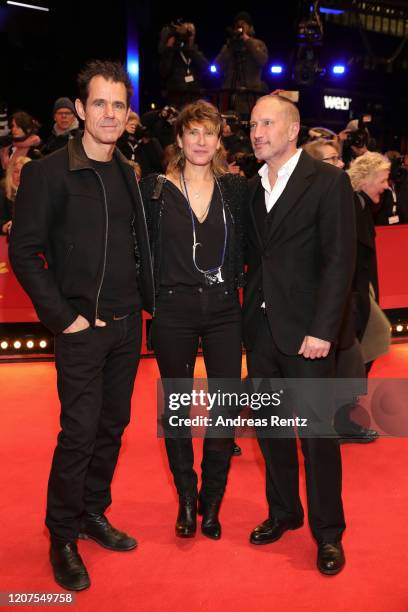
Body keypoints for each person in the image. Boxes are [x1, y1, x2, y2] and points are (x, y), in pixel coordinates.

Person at [9, 60, 154, 592]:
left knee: (112, 429)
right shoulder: (48, 172)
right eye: (100, 103)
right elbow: (24, 254)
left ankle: (93, 513)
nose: (110, 113)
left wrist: (146, 306)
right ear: (81, 109)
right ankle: (62, 534)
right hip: (81, 330)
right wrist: (65, 318)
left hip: (125, 328)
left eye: (119, 104)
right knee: (79, 434)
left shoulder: (126, 173)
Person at [243, 94, 356, 575]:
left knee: (318, 439)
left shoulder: (328, 182)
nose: (256, 131)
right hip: (262, 331)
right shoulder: (251, 188)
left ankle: (328, 534)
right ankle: (285, 511)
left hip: (309, 336)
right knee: (270, 434)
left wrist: (322, 329)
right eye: (251, 124)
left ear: (292, 130)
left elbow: (339, 261)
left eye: (266, 122)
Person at [140, 100, 246, 541]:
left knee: (226, 408)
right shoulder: (155, 190)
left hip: (224, 308)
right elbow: (136, 251)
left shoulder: (236, 191)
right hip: (173, 309)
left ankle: (212, 503)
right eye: (193, 133)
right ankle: (186, 496)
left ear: (219, 140)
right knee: (178, 408)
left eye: (210, 133)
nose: (201, 141)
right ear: (180, 140)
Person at [215, 12, 268, 116]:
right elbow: (218, 65)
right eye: (238, 24)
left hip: (250, 97)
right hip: (230, 96)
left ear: (250, 27)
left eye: (244, 24)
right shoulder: (229, 45)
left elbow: (263, 61)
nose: (240, 27)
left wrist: (247, 41)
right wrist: (230, 45)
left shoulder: (258, 44)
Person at [158, 19, 209, 107]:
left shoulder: (195, 52)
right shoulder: (173, 53)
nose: (189, 36)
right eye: (187, 33)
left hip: (194, 97)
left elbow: (205, 68)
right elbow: (163, 71)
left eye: (191, 33)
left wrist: (190, 49)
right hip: (175, 99)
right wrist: (169, 48)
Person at [0, 111, 42, 175]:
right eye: (13, 126)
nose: (14, 129)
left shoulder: (35, 150)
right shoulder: (8, 146)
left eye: (18, 127)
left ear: (28, 129)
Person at [0, 156, 31, 236]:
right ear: (11, 173)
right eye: (16, 171)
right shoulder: (2, 190)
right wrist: (4, 226)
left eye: (24, 172)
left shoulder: (38, 192)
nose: (19, 175)